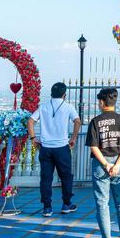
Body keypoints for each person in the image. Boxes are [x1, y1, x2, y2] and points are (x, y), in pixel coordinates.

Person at [85, 87, 120, 238]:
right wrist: (118, 163)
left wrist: (106, 164)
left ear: (101, 102)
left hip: (101, 165)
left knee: (102, 203)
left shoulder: (95, 121)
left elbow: (93, 146)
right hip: (118, 164)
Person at [27, 82, 80, 218]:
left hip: (46, 148)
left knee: (46, 178)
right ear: (64, 94)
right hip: (62, 148)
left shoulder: (43, 107)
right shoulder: (68, 107)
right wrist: (73, 138)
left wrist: (33, 138)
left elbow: (30, 121)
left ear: (51, 93)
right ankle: (66, 204)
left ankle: (47, 207)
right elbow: (77, 121)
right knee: (66, 176)